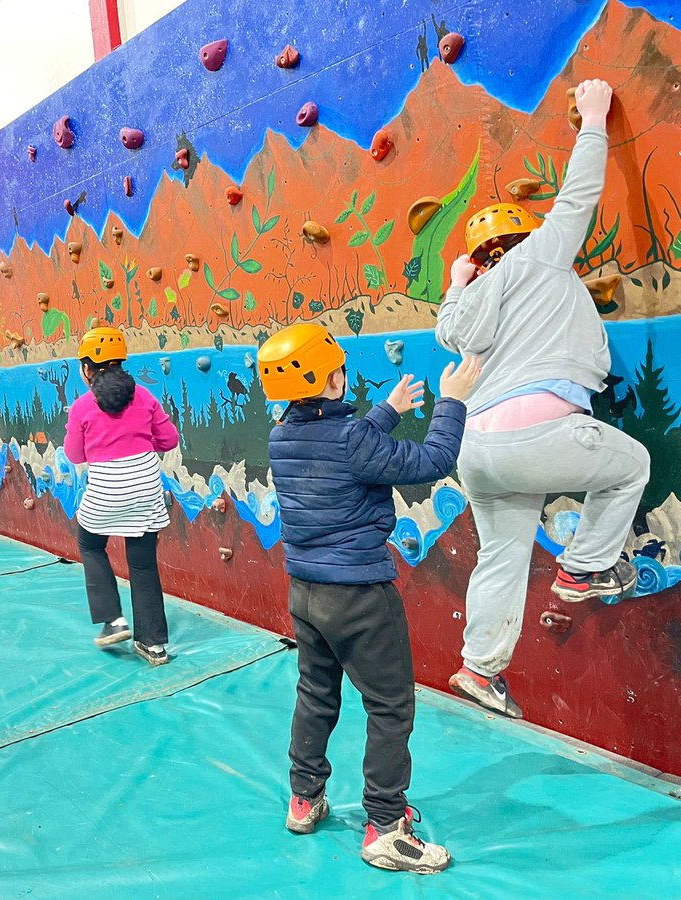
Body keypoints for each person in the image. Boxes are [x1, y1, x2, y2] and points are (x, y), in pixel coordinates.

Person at [435, 79, 649, 719]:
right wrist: (591, 118)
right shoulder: (542, 254)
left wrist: (456, 281)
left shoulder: (466, 301)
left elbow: (450, 329)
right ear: (524, 236)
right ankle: (584, 569)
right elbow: (580, 193)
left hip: (477, 452)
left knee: (499, 558)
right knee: (631, 464)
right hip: (540, 436)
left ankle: (480, 668)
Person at [259, 322, 481, 874]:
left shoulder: (282, 436)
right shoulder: (351, 441)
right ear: (332, 380)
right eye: (339, 370)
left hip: (306, 594)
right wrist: (452, 403)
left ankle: (305, 799)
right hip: (359, 595)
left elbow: (346, 448)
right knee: (389, 707)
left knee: (316, 695)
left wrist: (387, 409)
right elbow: (430, 461)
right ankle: (386, 827)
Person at [63, 327, 179, 666]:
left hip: (105, 494)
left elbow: (74, 455)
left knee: (90, 544)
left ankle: (112, 619)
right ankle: (154, 644)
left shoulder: (83, 406)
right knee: (143, 565)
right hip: (146, 493)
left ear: (86, 369)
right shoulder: (144, 397)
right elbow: (169, 440)